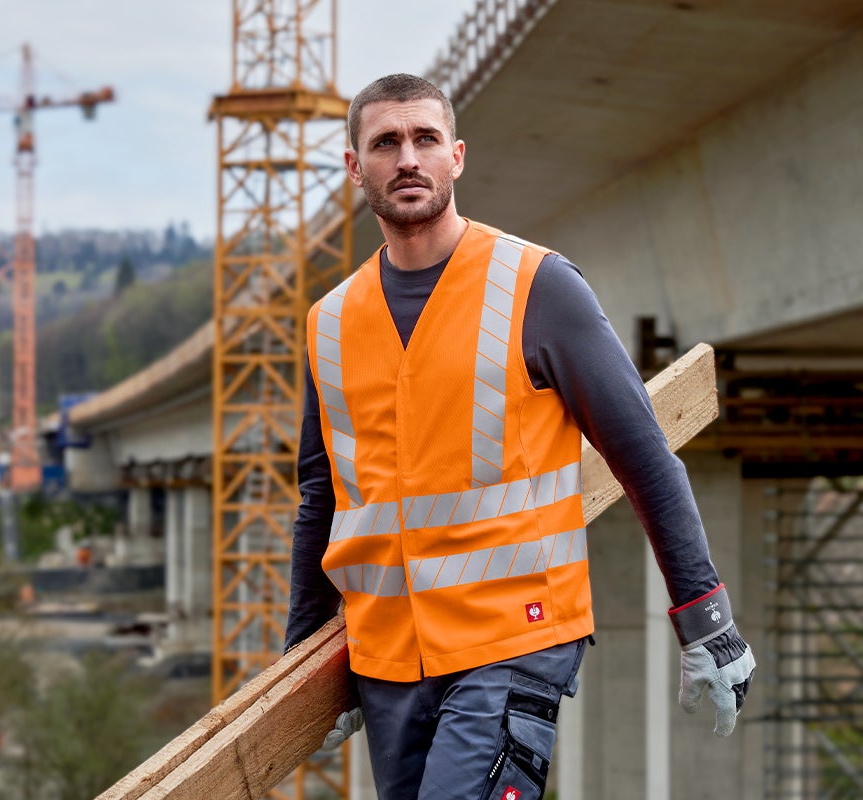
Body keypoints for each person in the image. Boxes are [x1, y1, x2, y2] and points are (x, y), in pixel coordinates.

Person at [284, 73, 755, 800]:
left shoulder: (536, 285)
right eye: (385, 142)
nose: (407, 157)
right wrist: (303, 664)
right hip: (388, 658)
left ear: (457, 157)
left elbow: (642, 456)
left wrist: (707, 619)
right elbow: (323, 496)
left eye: (425, 139)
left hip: (514, 639)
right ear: (355, 167)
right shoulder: (330, 323)